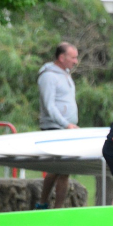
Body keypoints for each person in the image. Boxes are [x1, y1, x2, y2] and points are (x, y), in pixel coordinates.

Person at [36, 42, 79, 209]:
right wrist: (65, 124)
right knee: (56, 169)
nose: (76, 61)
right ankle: (43, 203)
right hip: (54, 128)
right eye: (73, 57)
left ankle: (58, 208)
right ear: (62, 58)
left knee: (64, 170)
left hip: (67, 128)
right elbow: (49, 105)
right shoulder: (48, 76)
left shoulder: (65, 74)